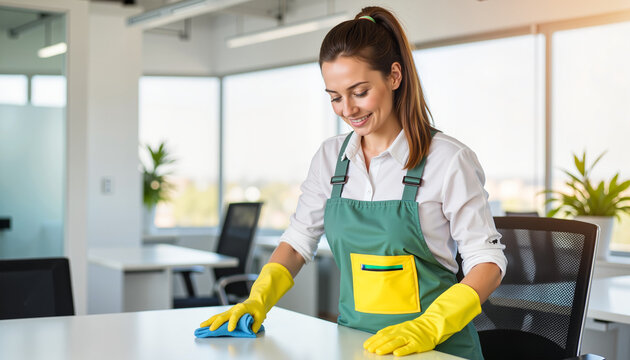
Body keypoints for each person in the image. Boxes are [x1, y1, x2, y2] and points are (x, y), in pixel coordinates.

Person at [201, 6, 506, 359]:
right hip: (356, 347)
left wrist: (430, 325)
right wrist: (257, 299)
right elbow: (299, 240)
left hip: (438, 350)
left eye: (359, 92)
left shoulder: (447, 159)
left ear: (394, 76)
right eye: (334, 97)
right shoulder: (330, 158)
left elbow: (487, 262)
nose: (347, 109)